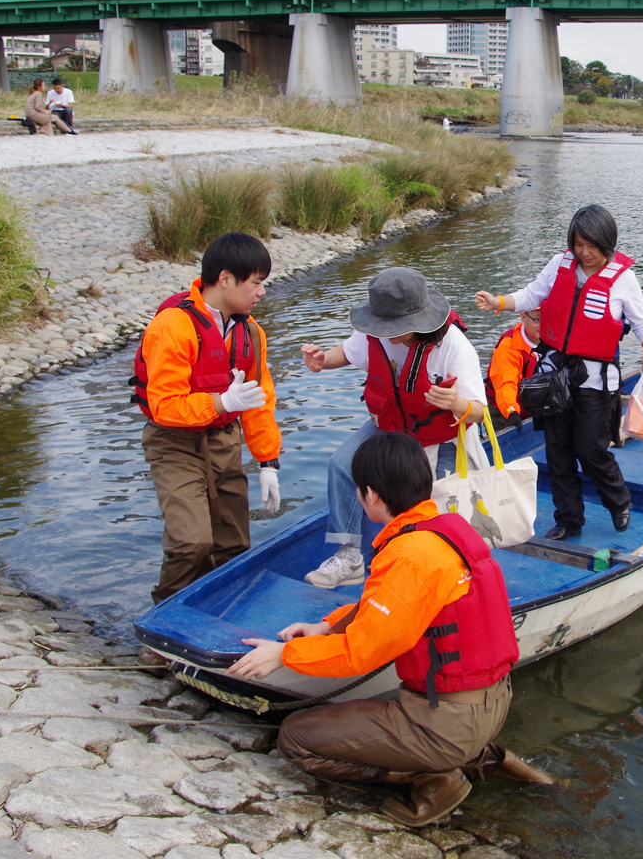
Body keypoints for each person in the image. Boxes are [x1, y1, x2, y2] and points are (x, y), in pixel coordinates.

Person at [226, 431, 555, 827]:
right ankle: (485, 759)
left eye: (360, 492)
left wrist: (283, 655)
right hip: (493, 701)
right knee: (424, 725)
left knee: (296, 737)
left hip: (447, 719)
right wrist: (324, 626)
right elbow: (395, 607)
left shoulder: (410, 554)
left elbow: (362, 653)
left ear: (373, 497)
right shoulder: (446, 528)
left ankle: (436, 777)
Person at [474, 205, 643, 540]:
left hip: (596, 379)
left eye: (592, 246)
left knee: (590, 449)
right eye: (578, 244)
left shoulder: (623, 278)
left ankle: (618, 500)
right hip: (556, 376)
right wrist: (498, 301)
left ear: (607, 244)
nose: (584, 253)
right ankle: (569, 520)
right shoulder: (560, 265)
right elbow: (532, 294)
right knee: (557, 451)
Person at [299, 267, 485, 588]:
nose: (385, 332)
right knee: (342, 465)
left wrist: (455, 402)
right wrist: (322, 360)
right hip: (389, 426)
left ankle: (440, 569)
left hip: (439, 438)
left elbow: (479, 414)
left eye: (393, 326)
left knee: (432, 504)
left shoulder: (454, 347)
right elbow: (347, 352)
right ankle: (349, 556)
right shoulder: (376, 332)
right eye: (381, 325)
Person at [132, 233, 282, 629]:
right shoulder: (173, 327)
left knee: (234, 543)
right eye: (256, 283)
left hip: (223, 440)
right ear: (227, 279)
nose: (262, 293)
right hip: (174, 443)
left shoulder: (251, 333)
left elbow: (260, 399)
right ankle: (162, 626)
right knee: (190, 542)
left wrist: (268, 461)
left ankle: (223, 618)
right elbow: (164, 405)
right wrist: (220, 403)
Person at [486, 308, 540, 425]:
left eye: (549, 318)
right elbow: (505, 384)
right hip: (505, 411)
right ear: (523, 317)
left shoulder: (557, 340)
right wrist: (511, 411)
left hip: (538, 405)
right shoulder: (508, 347)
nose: (544, 324)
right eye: (538, 319)